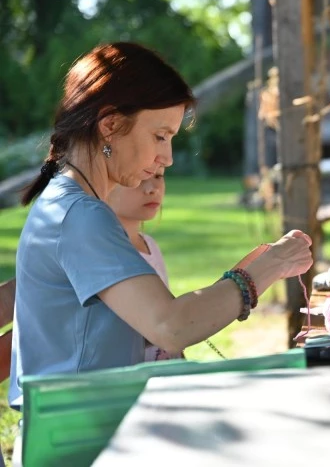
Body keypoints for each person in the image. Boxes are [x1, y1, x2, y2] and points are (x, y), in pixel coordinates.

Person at [9, 42, 313, 408]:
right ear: (110, 125)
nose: (166, 157)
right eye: (160, 136)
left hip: (84, 419)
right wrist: (268, 266)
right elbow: (171, 327)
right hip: (77, 435)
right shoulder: (79, 215)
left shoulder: (66, 202)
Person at [106, 167, 181, 361]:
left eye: (158, 176)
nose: (152, 188)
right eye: (139, 179)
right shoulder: (106, 252)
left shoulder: (150, 246)